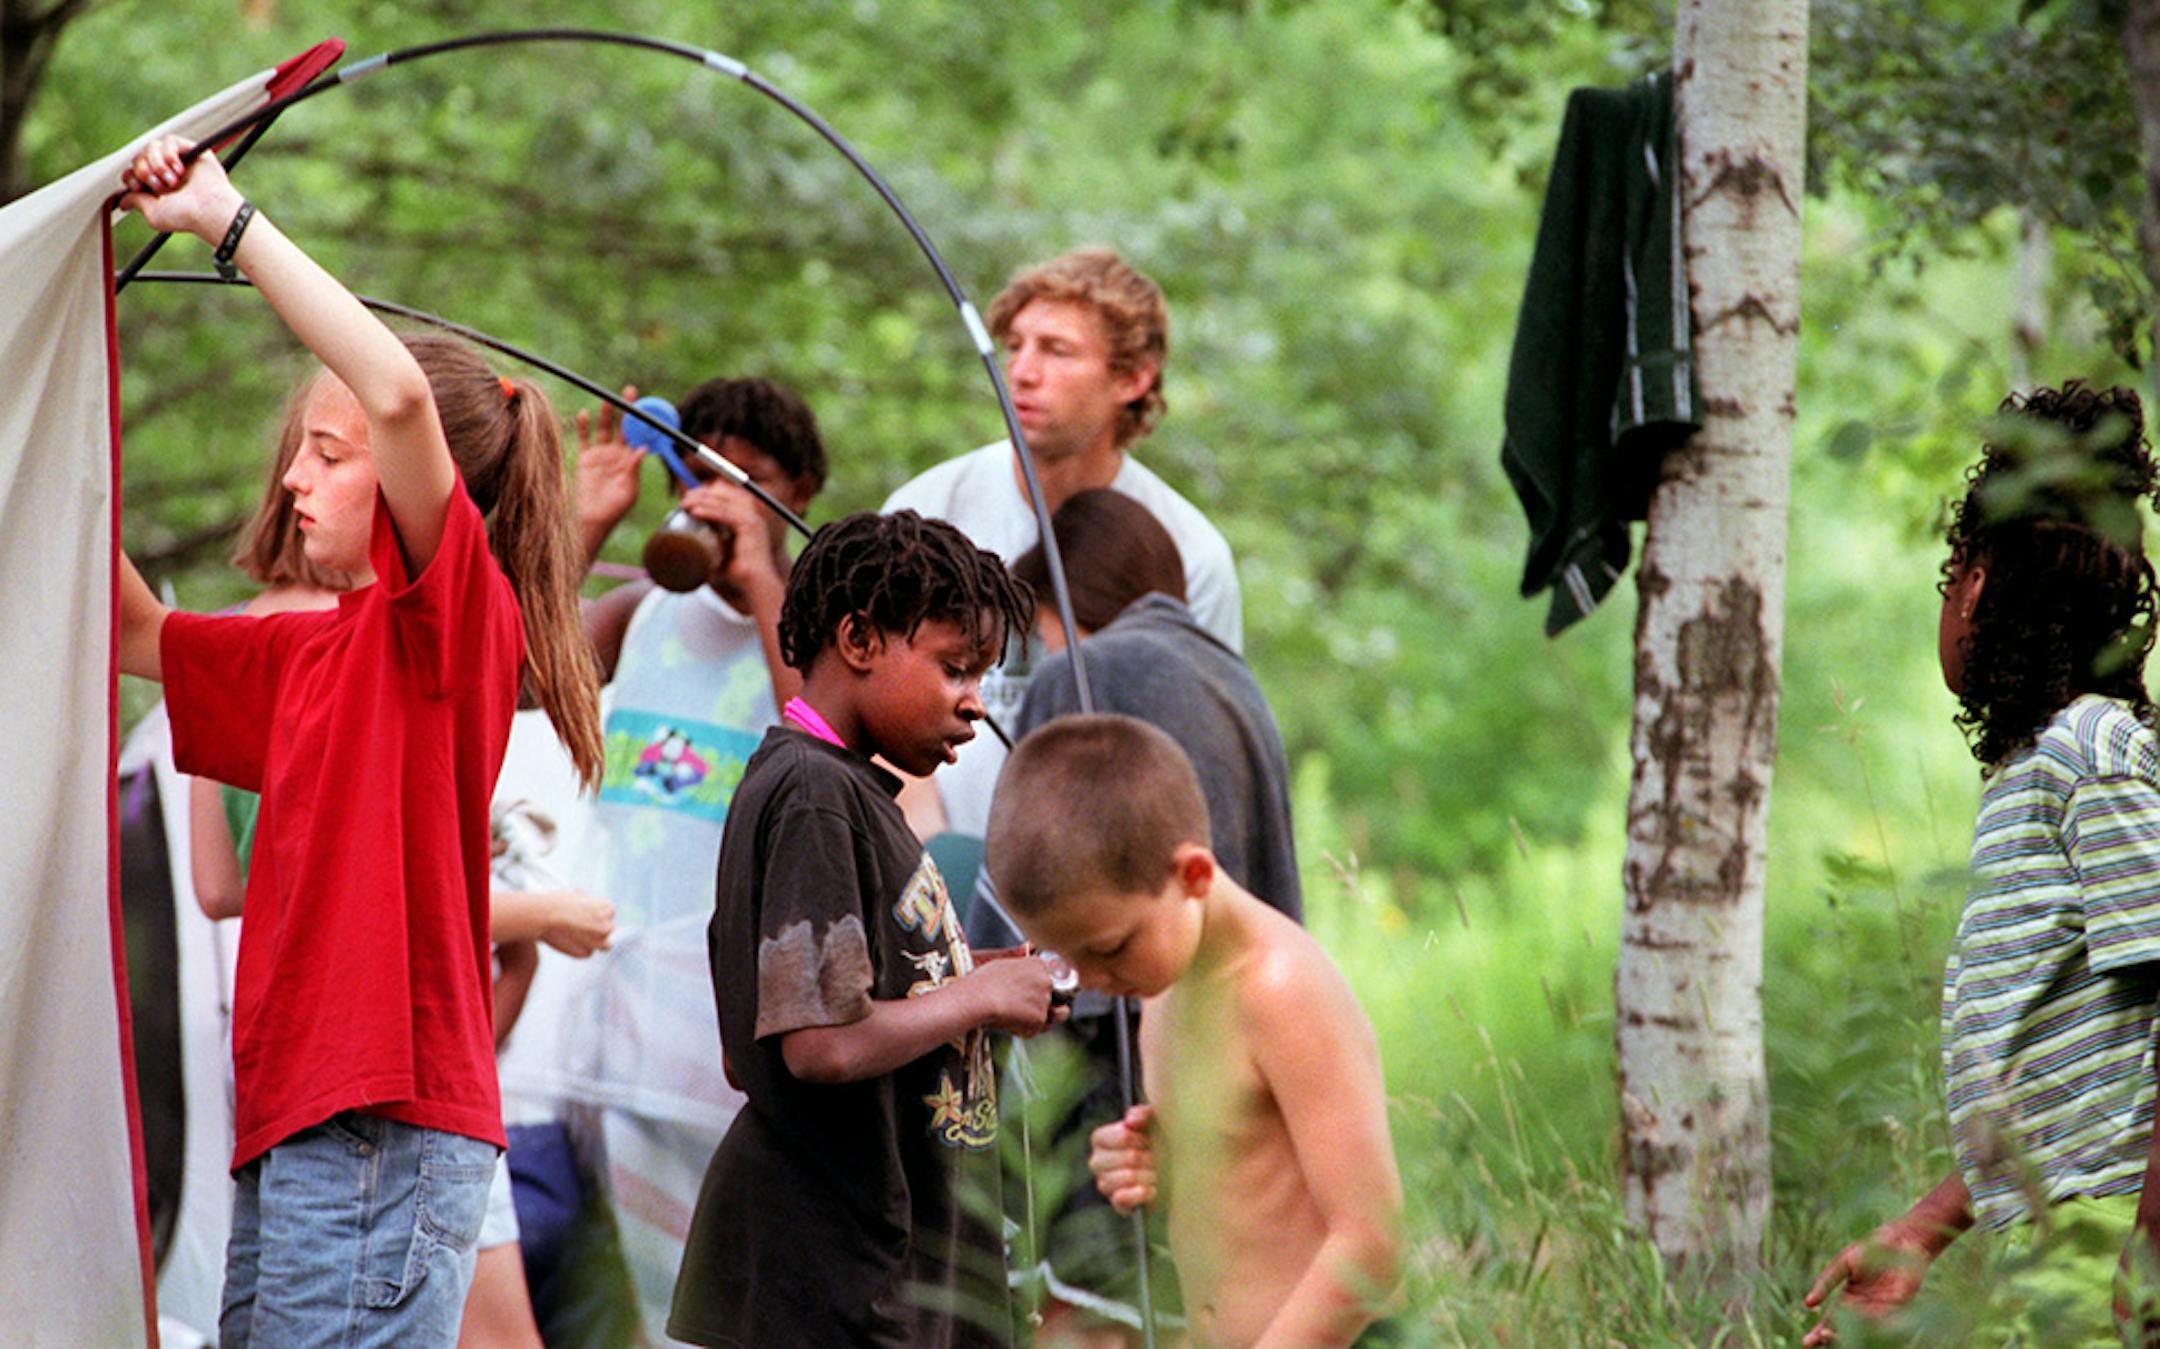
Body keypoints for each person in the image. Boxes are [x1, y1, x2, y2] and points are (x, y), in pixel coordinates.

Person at [114, 136, 602, 1345]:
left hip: (382, 1124)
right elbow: (125, 625)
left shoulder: (449, 620)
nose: (291, 481)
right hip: (291, 1121)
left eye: (328, 458)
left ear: (403, 475)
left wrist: (226, 223)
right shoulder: (299, 651)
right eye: (299, 452)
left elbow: (388, 389)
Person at [1803, 383, 2160, 1346]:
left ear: (1979, 581)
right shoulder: (2032, 773)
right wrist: (1921, 1227)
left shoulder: (2094, 753)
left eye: (1952, 563)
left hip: (2109, 1235)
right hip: (2046, 1237)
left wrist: (2150, 1257)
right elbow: (2062, 1076)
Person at [667, 510, 1064, 1349]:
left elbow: (772, 1028)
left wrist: (971, 980)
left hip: (864, 1278)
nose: (973, 703)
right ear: (858, 637)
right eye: (956, 667)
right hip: (836, 1284)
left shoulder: (831, 791)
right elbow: (817, 1043)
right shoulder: (815, 796)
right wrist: (976, 997)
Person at [986, 715, 1404, 1347]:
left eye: (1110, 946)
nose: (1095, 980)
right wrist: (1153, 1165)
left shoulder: (1280, 990)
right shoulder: (1168, 985)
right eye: (1069, 960)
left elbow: (1373, 1243)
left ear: (1194, 876)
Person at [564, 375, 827, 1341]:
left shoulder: (815, 630)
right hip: (610, 1011)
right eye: (698, 475)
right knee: (622, 1303)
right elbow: (506, 675)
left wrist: (763, 572)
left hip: (724, 1032)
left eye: (744, 481)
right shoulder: (637, 614)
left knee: (723, 1299)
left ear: (798, 491)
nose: (711, 500)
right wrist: (586, 525)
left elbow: (821, 732)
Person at [882, 247, 1241, 838]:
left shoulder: (1190, 554)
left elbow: (1197, 758)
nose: (1021, 371)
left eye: (1057, 350)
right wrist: (928, 856)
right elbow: (870, 704)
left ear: (1132, 378)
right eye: (1016, 345)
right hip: (928, 865)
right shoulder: (926, 513)